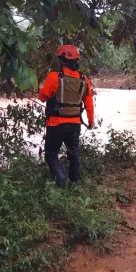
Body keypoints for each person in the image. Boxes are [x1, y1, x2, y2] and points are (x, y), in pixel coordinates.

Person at [38, 45, 95, 188]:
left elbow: (42, 97)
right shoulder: (84, 80)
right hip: (75, 124)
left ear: (62, 60)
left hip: (56, 124)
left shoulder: (54, 77)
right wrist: (91, 121)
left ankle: (61, 181)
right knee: (74, 156)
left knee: (51, 154)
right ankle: (74, 185)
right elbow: (89, 104)